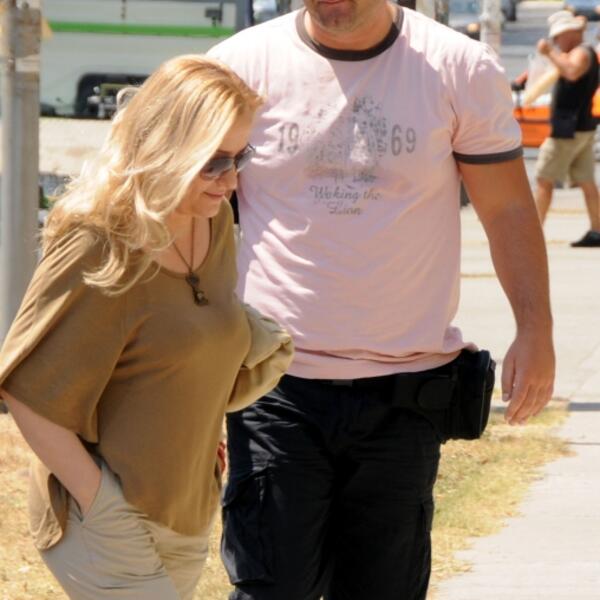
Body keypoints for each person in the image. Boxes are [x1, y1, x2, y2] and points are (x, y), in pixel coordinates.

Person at [208, 2, 556, 600]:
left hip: (405, 392)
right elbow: (190, 208)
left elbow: (506, 209)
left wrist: (535, 329)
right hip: (274, 384)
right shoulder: (240, 66)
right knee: (270, 588)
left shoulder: (457, 67)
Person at [0, 55, 293, 600]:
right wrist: (101, 504)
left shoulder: (214, 222)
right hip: (107, 524)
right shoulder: (99, 242)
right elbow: (24, 387)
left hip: (187, 516)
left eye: (240, 157)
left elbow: (182, 341)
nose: (232, 180)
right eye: (214, 162)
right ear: (166, 147)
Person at [534, 11, 600, 247]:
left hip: (568, 130)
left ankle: (533, 233)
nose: (556, 41)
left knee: (544, 179)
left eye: (558, 37)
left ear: (570, 33)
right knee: (586, 181)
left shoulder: (581, 53)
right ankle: (597, 229)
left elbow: (572, 72)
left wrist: (549, 53)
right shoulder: (577, 52)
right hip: (578, 127)